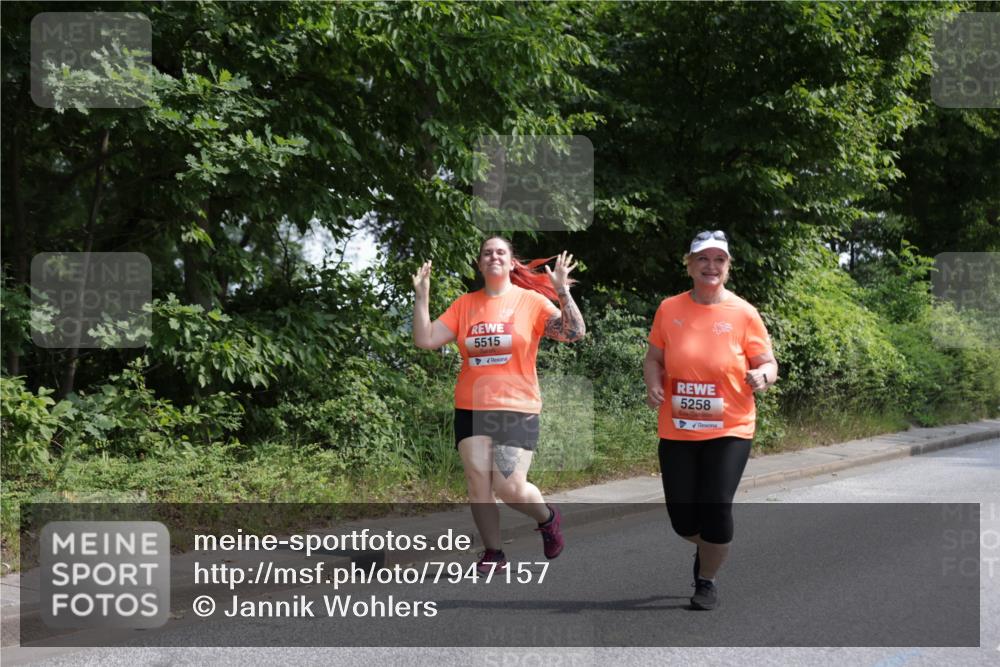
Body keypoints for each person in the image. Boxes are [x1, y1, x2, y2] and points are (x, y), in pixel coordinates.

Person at [412, 237, 585, 573]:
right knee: (478, 483)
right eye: (487, 253)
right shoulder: (465, 305)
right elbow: (426, 339)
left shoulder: (530, 301)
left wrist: (562, 290)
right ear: (480, 264)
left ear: (510, 262)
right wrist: (422, 296)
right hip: (471, 407)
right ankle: (494, 553)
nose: (493, 256)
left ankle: (547, 519)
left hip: (516, 407)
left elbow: (573, 332)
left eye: (500, 252)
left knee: (509, 487)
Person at [642, 230, 778, 610]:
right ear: (690, 265)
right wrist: (654, 384)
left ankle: (707, 579)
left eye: (719, 260)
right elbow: (654, 359)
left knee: (716, 507)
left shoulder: (743, 313)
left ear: (728, 268)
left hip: (730, 428)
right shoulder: (669, 309)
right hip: (678, 428)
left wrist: (762, 376)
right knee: (683, 520)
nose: (711, 266)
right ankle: (714, 546)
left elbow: (769, 363)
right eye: (703, 259)